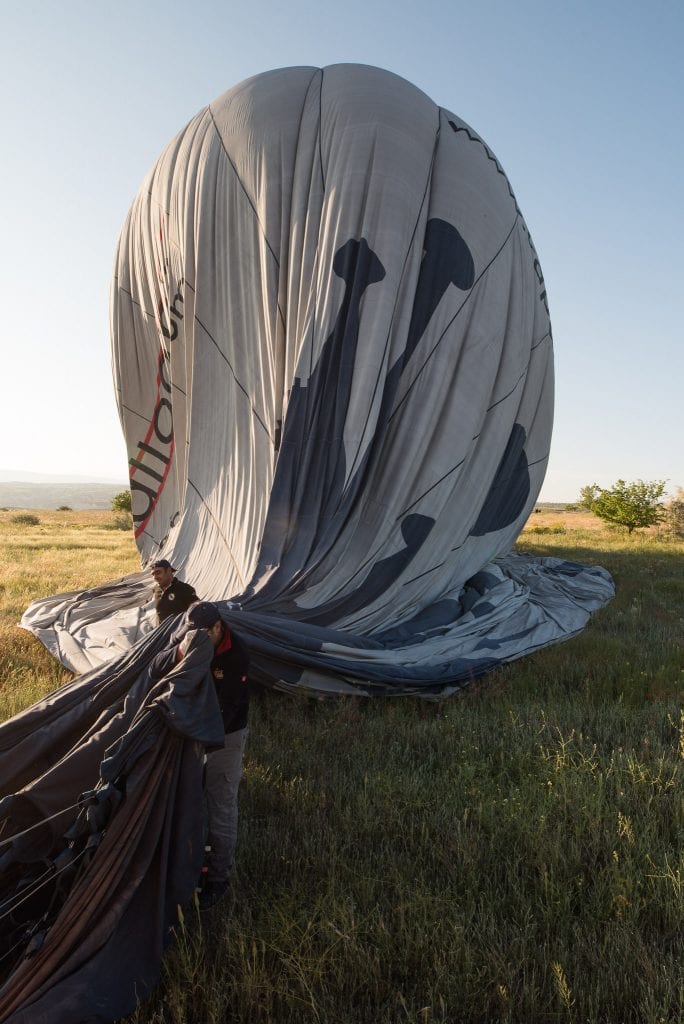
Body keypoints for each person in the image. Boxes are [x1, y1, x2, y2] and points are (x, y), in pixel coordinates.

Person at [149, 601, 250, 910]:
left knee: (220, 800)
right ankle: (185, 863)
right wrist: (181, 652)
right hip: (188, 729)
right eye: (192, 635)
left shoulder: (236, 654)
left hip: (224, 734)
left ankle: (218, 877)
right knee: (184, 797)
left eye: (203, 636)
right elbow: (155, 668)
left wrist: (201, 743)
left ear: (218, 629)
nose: (196, 641)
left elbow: (228, 710)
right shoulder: (189, 636)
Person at [150, 559, 198, 624]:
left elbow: (198, 612)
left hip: (179, 632)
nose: (155, 577)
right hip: (161, 632)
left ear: (169, 571)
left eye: (158, 572)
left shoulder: (185, 589)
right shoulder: (156, 590)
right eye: (153, 574)